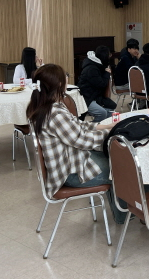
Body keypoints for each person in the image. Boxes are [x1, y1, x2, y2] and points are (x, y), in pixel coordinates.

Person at [26, 64, 129, 223]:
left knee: (117, 159)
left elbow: (76, 125)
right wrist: (110, 133)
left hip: (70, 162)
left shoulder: (46, 106)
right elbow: (81, 140)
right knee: (124, 167)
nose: (67, 82)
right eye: (64, 79)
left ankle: (127, 212)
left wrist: (103, 126)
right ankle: (128, 215)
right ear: (58, 84)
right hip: (70, 173)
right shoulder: (54, 113)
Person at [77, 46, 117, 123]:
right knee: (102, 113)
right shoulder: (91, 68)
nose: (110, 57)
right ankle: (90, 128)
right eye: (109, 55)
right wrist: (106, 73)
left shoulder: (97, 64)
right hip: (86, 97)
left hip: (94, 95)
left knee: (111, 110)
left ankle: (103, 127)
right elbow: (101, 84)